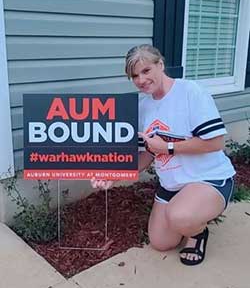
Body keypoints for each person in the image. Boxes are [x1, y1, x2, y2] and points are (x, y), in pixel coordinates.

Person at [91, 44, 236, 266]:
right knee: (160, 242)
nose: (140, 80)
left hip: (207, 177)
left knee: (181, 217)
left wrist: (168, 148)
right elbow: (148, 154)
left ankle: (197, 233)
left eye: (146, 71)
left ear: (160, 65)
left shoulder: (190, 91)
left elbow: (216, 142)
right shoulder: (142, 106)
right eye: (134, 75)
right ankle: (186, 213)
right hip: (172, 183)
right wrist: (116, 174)